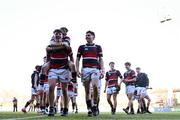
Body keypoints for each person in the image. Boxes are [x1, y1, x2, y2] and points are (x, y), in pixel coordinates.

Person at [76, 30, 105, 116]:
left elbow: (101, 59)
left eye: (89, 35)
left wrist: (102, 70)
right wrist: (77, 70)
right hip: (85, 70)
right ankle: (89, 109)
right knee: (87, 91)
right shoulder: (81, 47)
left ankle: (95, 105)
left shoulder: (98, 47)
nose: (87, 37)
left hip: (95, 69)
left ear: (93, 37)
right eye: (86, 35)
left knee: (95, 86)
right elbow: (77, 59)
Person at [46, 29, 73, 116]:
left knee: (64, 90)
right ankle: (51, 108)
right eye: (56, 34)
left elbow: (71, 57)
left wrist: (71, 70)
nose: (57, 35)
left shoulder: (67, 47)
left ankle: (65, 108)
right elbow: (48, 59)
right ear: (53, 36)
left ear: (62, 36)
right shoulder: (49, 47)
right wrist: (47, 68)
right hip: (53, 69)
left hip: (64, 69)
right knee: (51, 87)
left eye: (59, 34)